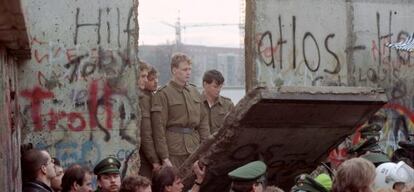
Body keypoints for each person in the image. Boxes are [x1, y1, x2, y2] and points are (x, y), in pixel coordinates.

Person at [151, 52, 210, 168]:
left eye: (189, 69)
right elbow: (159, 129)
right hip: (174, 150)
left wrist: (205, 148)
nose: (188, 72)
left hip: (194, 148)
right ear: (174, 70)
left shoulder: (194, 91)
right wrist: (164, 156)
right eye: (184, 69)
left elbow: (203, 122)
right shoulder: (163, 94)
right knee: (175, 183)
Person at [139, 64, 161, 178]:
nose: (156, 81)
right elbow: (146, 133)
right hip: (145, 157)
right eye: (151, 79)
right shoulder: (143, 99)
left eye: (157, 78)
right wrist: (154, 160)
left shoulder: (152, 96)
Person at [201, 70, 234, 134]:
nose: (218, 90)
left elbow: (233, 127)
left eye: (220, 87)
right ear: (205, 84)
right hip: (201, 142)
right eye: (215, 87)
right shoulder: (195, 103)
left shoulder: (228, 105)